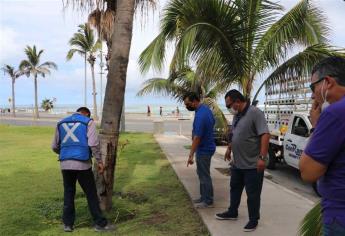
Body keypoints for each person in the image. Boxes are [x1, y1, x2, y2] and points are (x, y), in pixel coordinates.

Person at [299, 56, 345, 236]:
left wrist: (316, 125)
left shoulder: (336, 112)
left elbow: (308, 172)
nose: (312, 95)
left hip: (339, 216)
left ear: (327, 82)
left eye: (313, 87)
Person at [51, 107, 114, 232]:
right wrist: (99, 161)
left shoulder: (61, 123)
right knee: (91, 194)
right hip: (82, 164)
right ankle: (100, 224)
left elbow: (54, 146)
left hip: (65, 164)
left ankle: (68, 225)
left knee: (68, 193)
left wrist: (66, 153)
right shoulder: (88, 122)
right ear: (86, 114)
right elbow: (93, 144)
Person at [215, 90, 270, 232]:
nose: (229, 108)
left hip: (252, 165)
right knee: (235, 189)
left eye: (229, 105)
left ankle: (253, 220)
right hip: (237, 163)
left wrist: (262, 158)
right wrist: (229, 148)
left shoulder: (255, 113)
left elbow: (265, 134)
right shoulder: (237, 115)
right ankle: (232, 212)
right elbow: (236, 134)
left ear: (238, 101)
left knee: (253, 194)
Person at [183, 92, 216, 208]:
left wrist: (191, 154)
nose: (187, 106)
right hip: (207, 146)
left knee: (204, 175)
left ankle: (208, 200)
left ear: (194, 101)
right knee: (202, 173)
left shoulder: (201, 115)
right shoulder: (205, 110)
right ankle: (204, 197)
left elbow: (197, 137)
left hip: (204, 149)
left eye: (188, 104)